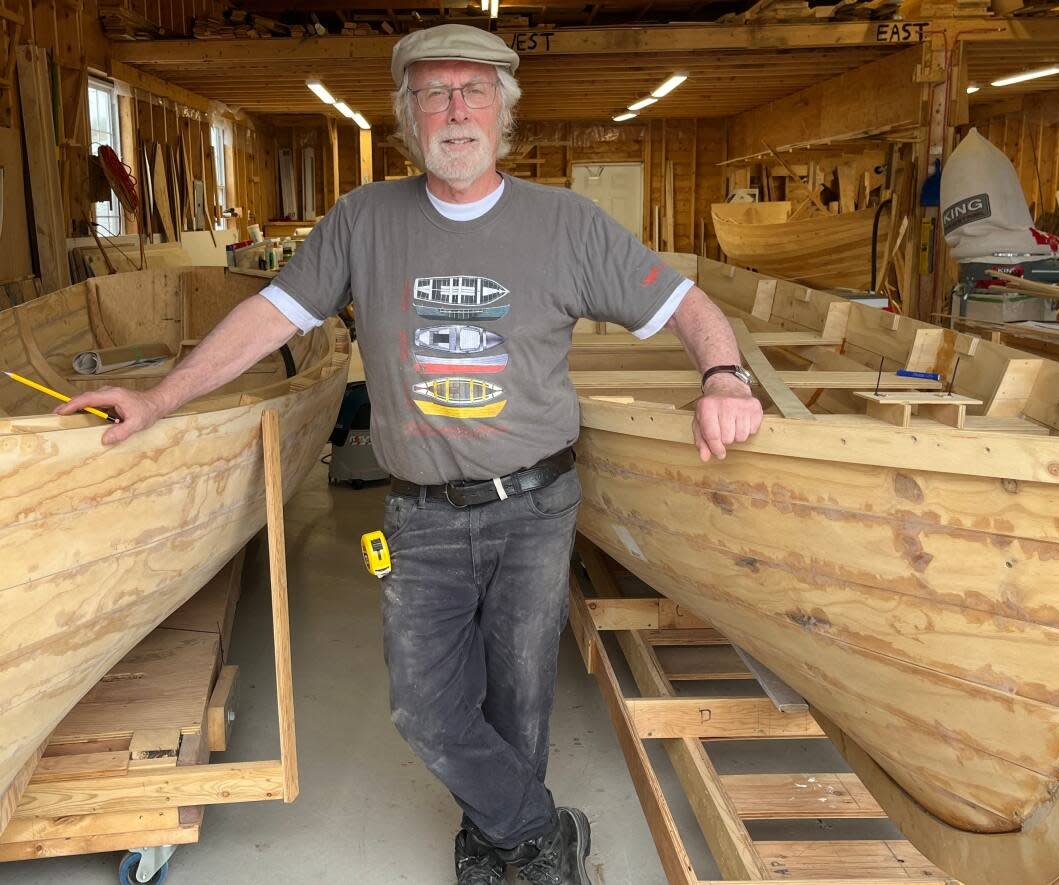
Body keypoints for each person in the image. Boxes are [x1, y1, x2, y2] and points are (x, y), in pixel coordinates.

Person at [59, 23, 763, 885]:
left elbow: (686, 303)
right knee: (425, 708)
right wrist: (161, 394)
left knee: (519, 699)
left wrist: (724, 375)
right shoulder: (363, 220)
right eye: (435, 93)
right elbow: (269, 316)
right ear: (409, 116)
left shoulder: (566, 224)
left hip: (536, 506)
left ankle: (496, 841)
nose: (456, 109)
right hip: (418, 514)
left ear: (505, 113)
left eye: (474, 91)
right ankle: (542, 831)